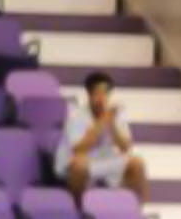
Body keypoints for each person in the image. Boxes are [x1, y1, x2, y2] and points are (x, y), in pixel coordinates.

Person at [56, 73, 150, 203]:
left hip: (104, 161)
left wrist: (112, 125)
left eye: (105, 93)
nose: (102, 98)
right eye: (97, 94)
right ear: (89, 95)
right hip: (80, 162)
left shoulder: (115, 115)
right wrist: (102, 121)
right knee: (78, 166)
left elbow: (125, 147)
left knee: (137, 163)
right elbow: (79, 150)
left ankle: (131, 211)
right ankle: (79, 210)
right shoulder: (76, 115)